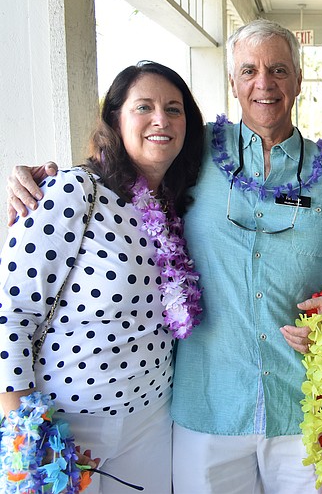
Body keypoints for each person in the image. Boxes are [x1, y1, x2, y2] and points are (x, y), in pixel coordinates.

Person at [7, 20, 322, 493]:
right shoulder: (197, 157)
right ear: (233, 82)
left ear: (298, 80)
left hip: (300, 405)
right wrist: (37, 179)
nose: (265, 83)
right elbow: (126, 166)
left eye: (279, 69)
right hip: (204, 407)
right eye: (249, 70)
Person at [0, 60, 205, 493]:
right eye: (143, 107)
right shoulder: (71, 191)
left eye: (174, 109)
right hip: (68, 422)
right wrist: (26, 434)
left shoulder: (178, 201)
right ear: (115, 118)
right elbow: (11, 314)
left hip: (151, 419)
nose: (160, 120)